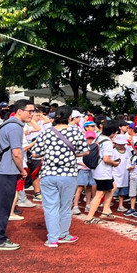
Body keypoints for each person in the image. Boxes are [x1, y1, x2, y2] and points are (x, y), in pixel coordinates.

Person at [32, 105, 89, 247]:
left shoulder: (47, 132)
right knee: (65, 206)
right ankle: (63, 234)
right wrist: (71, 154)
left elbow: (35, 153)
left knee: (51, 207)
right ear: (69, 117)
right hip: (69, 174)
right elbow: (85, 151)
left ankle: (52, 238)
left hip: (48, 173)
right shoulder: (76, 132)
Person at [0, 99, 32, 250]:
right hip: (7, 171)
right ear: (20, 111)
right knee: (2, 206)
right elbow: (17, 153)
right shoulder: (15, 127)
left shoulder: (8, 124)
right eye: (29, 111)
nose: (32, 114)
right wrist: (22, 170)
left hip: (1, 170)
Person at [84, 121, 120, 223]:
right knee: (100, 193)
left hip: (97, 169)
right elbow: (106, 159)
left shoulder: (99, 137)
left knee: (112, 188)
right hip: (103, 171)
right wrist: (115, 163)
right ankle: (89, 217)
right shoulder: (108, 142)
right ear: (112, 132)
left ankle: (105, 211)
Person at [111, 134, 131, 212]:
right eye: (118, 144)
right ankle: (108, 204)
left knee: (122, 192)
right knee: (112, 191)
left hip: (125, 174)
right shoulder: (113, 151)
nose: (120, 145)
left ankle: (120, 205)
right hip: (115, 173)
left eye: (122, 144)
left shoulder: (128, 152)